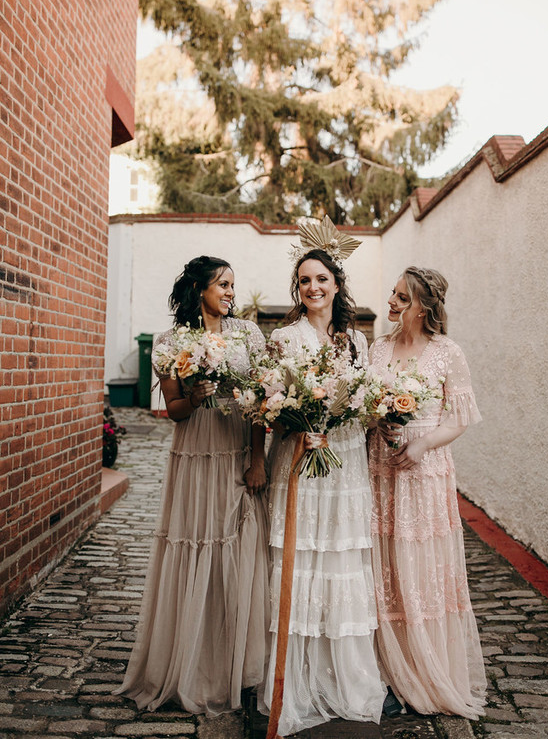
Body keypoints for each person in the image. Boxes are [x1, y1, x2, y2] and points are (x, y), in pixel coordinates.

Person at [117, 255, 269, 715]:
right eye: (221, 284)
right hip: (196, 455)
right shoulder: (171, 342)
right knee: (198, 543)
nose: (229, 292)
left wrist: (258, 457)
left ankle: (240, 665)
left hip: (238, 449)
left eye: (232, 285)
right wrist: (194, 394)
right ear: (199, 289)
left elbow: (262, 401)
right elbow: (174, 411)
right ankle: (192, 663)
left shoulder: (248, 335)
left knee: (240, 549)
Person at [260, 234, 386, 736]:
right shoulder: (285, 340)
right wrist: (298, 420)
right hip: (301, 462)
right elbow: (270, 407)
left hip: (345, 460)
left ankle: (343, 678)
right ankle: (293, 681)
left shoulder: (357, 342)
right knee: (302, 557)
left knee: (338, 559)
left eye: (322, 279)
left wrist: (378, 415)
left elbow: (366, 406)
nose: (313, 286)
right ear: (298, 287)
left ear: (337, 285)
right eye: (305, 280)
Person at [368, 266, 486, 719]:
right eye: (393, 293)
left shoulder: (447, 353)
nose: (393, 302)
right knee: (386, 571)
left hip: (424, 472)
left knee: (421, 570)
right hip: (382, 469)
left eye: (402, 297)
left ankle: (425, 668)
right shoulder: (379, 348)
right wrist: (379, 421)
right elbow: (367, 405)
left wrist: (421, 443)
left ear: (423, 306)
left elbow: (459, 419)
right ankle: (388, 671)